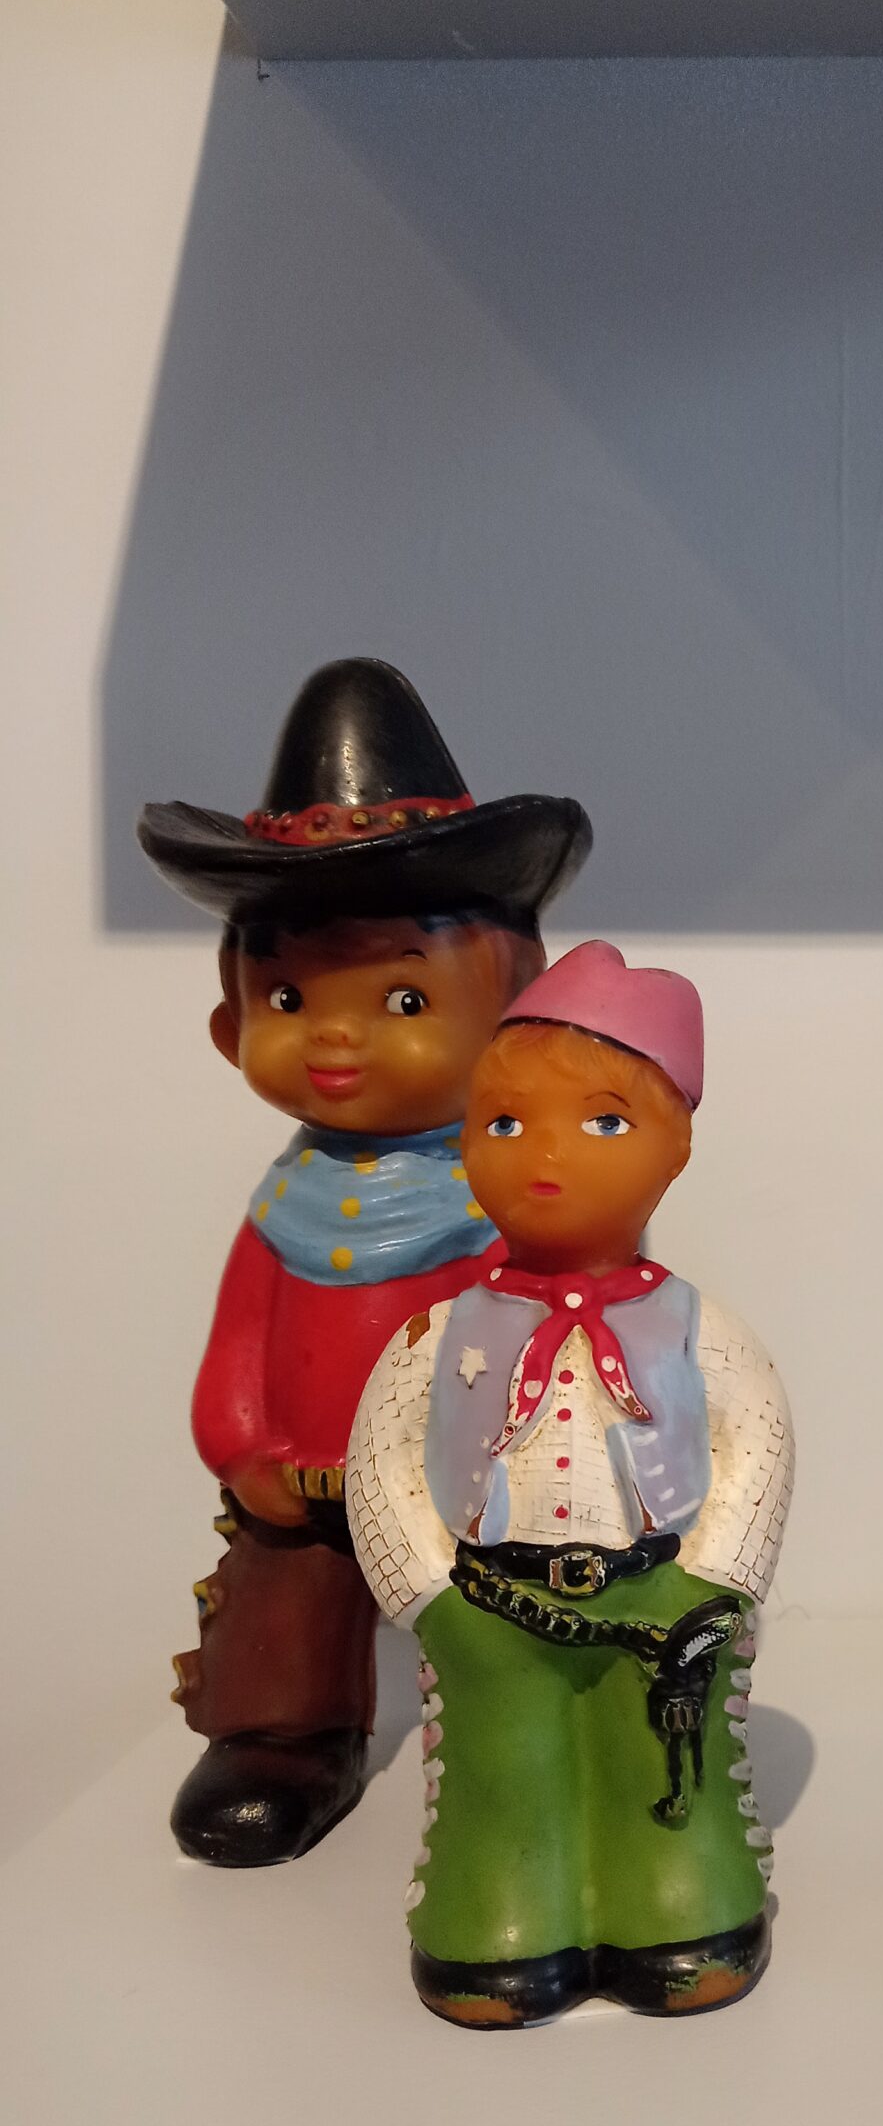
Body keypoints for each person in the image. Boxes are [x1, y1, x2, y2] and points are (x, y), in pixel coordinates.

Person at [137, 657, 589, 1863]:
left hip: (472, 1482)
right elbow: (241, 1342)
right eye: (288, 997)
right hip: (312, 1476)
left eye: (400, 1000)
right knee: (285, 1593)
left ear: (517, 1013)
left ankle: (524, 1738)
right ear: (231, 1024)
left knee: (515, 1607)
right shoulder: (283, 1209)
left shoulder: (512, 1200)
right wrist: (242, 1445)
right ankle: (285, 1733)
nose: (334, 1035)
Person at [347, 940, 793, 2029]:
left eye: (602, 1123)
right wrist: (428, 1595)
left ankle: (679, 1907)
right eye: (505, 1123)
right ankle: (502, 1910)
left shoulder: (697, 1327)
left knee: (665, 1754)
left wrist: (716, 1583)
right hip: (489, 1602)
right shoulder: (433, 1336)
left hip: (658, 1596)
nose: (545, 1153)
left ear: (676, 1146)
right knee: (502, 1764)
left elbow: (757, 1444)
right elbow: (381, 1466)